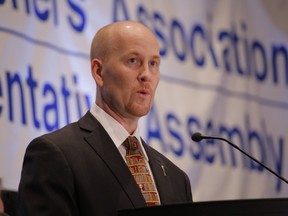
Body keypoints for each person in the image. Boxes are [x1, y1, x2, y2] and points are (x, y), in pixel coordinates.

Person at [17, 20, 193, 216]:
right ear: (98, 72)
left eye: (153, 64)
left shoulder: (177, 179)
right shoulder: (56, 154)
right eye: (133, 61)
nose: (146, 75)